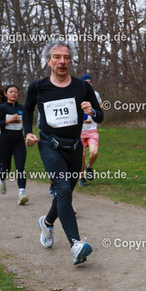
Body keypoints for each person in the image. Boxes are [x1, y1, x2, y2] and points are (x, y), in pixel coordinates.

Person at [23, 40, 103, 265]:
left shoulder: (82, 87)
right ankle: (76, 244)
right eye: (57, 57)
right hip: (49, 145)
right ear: (48, 61)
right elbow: (27, 110)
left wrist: (92, 111)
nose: (62, 61)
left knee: (64, 194)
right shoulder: (38, 87)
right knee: (63, 188)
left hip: (74, 147)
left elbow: (100, 115)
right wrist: (28, 132)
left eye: (66, 57)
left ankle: (47, 223)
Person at [0, 85, 29, 205]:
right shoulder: (2, 108)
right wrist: (7, 121)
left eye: (15, 92)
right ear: (6, 94)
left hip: (18, 141)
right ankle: (2, 180)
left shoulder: (22, 108)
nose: (13, 94)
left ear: (18, 94)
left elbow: (27, 122)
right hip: (5, 142)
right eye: (11, 92)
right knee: (6, 167)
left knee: (20, 168)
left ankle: (21, 194)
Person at [78, 73, 102, 187]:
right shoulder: (77, 93)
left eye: (90, 82)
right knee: (82, 156)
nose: (88, 84)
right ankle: (82, 177)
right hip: (80, 130)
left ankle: (89, 167)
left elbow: (100, 106)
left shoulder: (95, 94)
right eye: (86, 82)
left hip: (92, 129)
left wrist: (94, 111)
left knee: (94, 152)